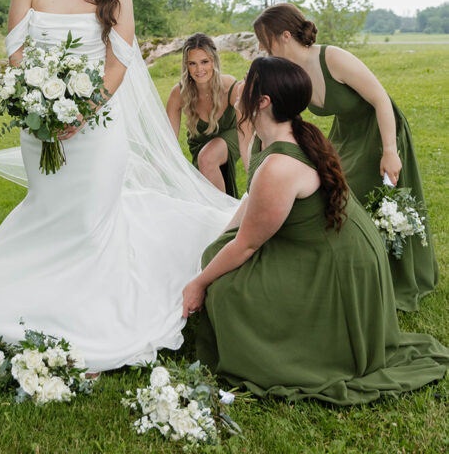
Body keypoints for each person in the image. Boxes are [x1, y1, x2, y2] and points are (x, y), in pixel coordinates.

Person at [0, 0, 239, 371]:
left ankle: (91, 310)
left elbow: (117, 66)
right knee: (50, 210)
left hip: (98, 128)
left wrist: (81, 111)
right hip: (40, 125)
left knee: (91, 219)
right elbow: (17, 53)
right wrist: (42, 104)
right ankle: (37, 295)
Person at [183, 57, 448, 405]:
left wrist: (199, 283)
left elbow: (247, 245)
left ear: (262, 102)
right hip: (322, 246)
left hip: (339, 267)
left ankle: (297, 350)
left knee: (229, 290)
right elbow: (250, 202)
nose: (240, 82)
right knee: (217, 255)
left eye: (249, 79)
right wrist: (221, 241)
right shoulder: (279, 134)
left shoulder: (281, 164)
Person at [252, 3, 438, 311]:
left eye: (264, 39)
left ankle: (391, 273)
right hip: (346, 135)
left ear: (284, 36)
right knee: (335, 195)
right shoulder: (293, 72)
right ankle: (350, 269)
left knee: (374, 201)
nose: (261, 47)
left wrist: (390, 151)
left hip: (380, 131)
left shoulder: (332, 58)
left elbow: (380, 99)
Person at [166, 33, 242, 195]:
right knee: (204, 169)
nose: (199, 69)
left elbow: (248, 127)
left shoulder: (230, 87)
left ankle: (222, 215)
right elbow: (168, 138)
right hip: (199, 144)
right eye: (192, 63)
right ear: (186, 66)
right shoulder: (179, 93)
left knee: (207, 157)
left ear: (213, 61)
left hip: (232, 135)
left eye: (204, 62)